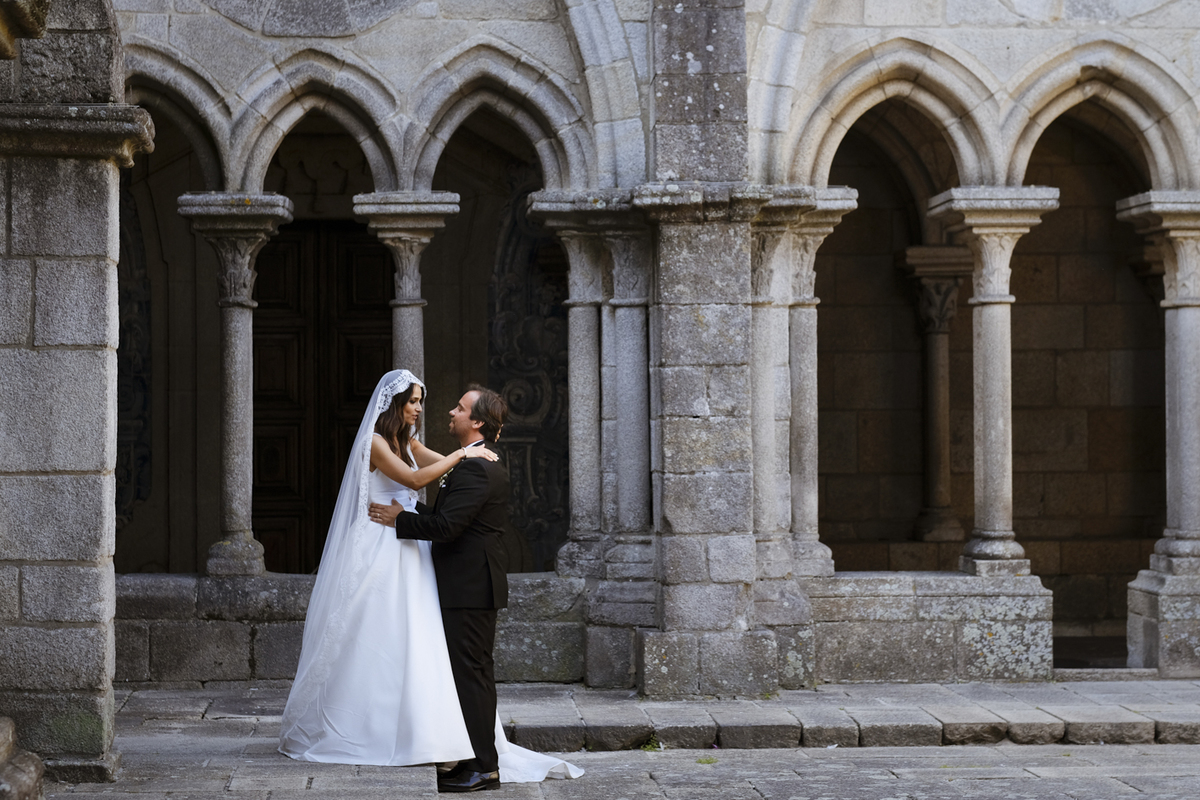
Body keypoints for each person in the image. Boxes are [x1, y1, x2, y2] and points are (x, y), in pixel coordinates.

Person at [278, 370, 496, 768]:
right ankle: (365, 726)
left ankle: (429, 732)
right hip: (380, 543)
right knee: (375, 632)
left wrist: (474, 455)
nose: (418, 408)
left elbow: (442, 468)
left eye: (420, 401)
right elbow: (415, 478)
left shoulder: (407, 442)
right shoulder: (375, 442)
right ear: (395, 404)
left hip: (409, 543)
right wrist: (464, 453)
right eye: (413, 401)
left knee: (416, 635)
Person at [369, 385, 581, 792]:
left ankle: (485, 767)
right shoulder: (473, 464)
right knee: (467, 675)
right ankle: (470, 758)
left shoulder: (474, 466)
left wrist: (401, 519)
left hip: (469, 588)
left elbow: (448, 529)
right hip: (468, 585)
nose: (451, 412)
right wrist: (412, 512)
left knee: (472, 677)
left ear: (477, 421)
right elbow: (451, 518)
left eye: (460, 408)